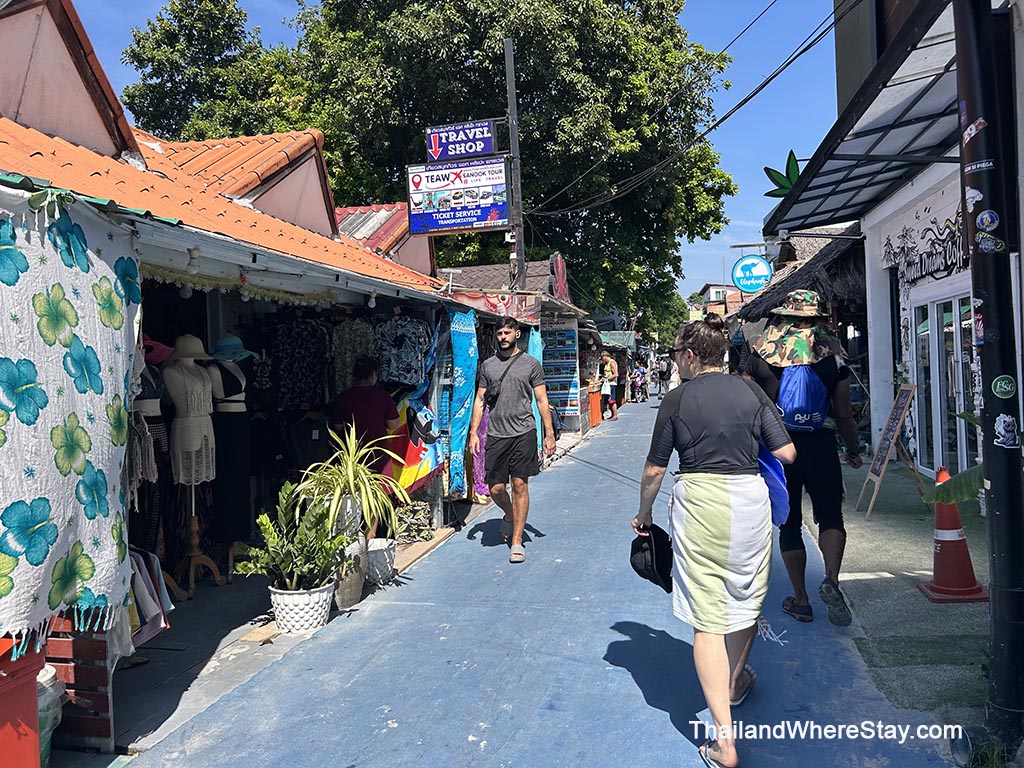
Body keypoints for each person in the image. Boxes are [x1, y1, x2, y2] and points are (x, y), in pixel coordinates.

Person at [633, 315, 795, 768]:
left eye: (675, 356)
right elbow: (786, 452)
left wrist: (644, 515)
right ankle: (736, 681)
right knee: (744, 598)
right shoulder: (749, 390)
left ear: (688, 356)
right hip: (749, 500)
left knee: (707, 619)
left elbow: (654, 469)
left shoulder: (677, 399)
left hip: (700, 501)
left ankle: (724, 743)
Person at [743, 289, 862, 627]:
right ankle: (831, 581)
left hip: (778, 449)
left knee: (789, 523)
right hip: (821, 444)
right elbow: (843, 414)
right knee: (830, 516)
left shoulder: (760, 353)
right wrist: (852, 450)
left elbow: (751, 408)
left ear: (783, 315)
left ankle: (800, 599)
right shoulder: (833, 354)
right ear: (816, 317)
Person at [468, 318, 556, 563]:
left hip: (523, 432)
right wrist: (474, 433)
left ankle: (517, 541)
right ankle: (509, 513)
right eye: (499, 333)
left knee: (519, 484)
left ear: (517, 334)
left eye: (507, 332)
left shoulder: (531, 364)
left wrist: (549, 434)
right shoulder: (488, 366)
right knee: (496, 488)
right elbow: (480, 400)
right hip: (496, 433)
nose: (502, 336)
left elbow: (541, 400)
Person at [331, 355, 400, 477]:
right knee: (381, 489)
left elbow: (338, 426)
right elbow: (393, 424)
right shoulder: (383, 397)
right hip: (378, 453)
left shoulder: (343, 397)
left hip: (352, 454)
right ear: (374, 374)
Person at [599, 350, 619, 420]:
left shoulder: (612, 363)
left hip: (611, 384)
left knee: (612, 400)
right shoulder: (607, 363)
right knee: (609, 400)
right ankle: (612, 414)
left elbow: (616, 374)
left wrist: (607, 378)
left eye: (602, 357)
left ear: (606, 356)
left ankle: (615, 415)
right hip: (607, 384)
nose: (602, 359)